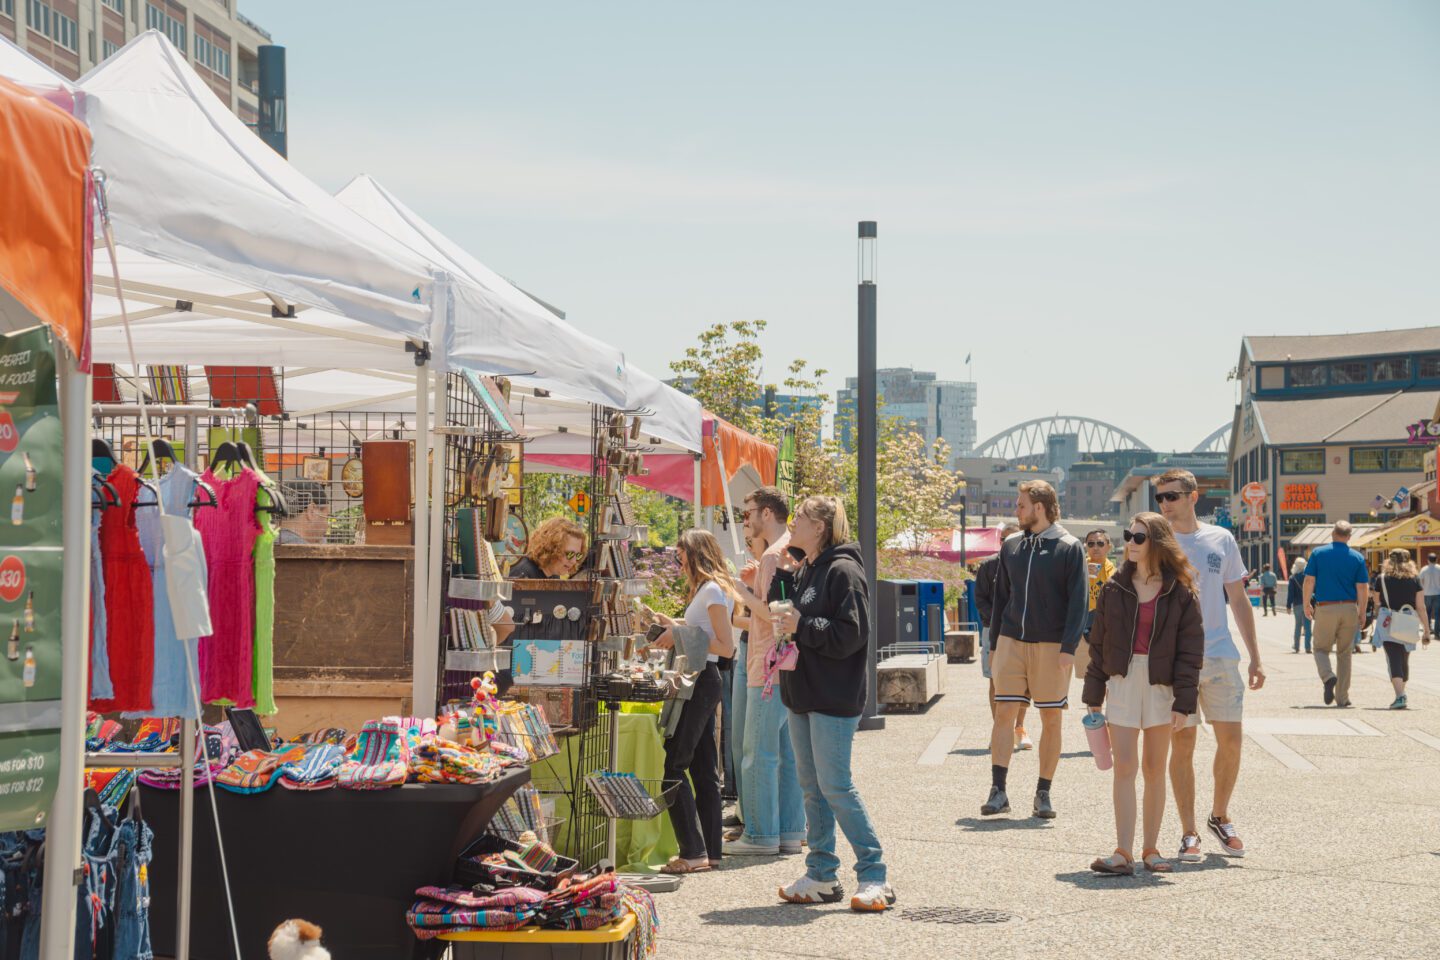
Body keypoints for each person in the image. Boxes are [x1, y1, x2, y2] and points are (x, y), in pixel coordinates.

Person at [772, 495, 894, 912]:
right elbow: (790, 617)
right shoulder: (807, 568)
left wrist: (802, 625)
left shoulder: (843, 570)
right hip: (803, 692)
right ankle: (821, 873)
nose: (791, 524)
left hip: (831, 695)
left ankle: (875, 875)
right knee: (813, 790)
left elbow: (852, 633)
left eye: (799, 519)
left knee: (836, 787)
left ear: (820, 527)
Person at [1084, 512, 1204, 875]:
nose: (1130, 543)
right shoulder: (1114, 587)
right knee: (1124, 767)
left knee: (1154, 768)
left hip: (1161, 684)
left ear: (1157, 542)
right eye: (1128, 536)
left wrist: (1184, 702)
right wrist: (1094, 692)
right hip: (1122, 681)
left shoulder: (1180, 591)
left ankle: (1151, 849)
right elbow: (1099, 646)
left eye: (1139, 537)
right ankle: (1123, 852)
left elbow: (1190, 651)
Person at [1154, 469, 1263, 861]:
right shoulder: (1154, 540)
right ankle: (1188, 832)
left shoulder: (1221, 538)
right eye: (1160, 497)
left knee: (1231, 742)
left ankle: (1219, 815)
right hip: (1174, 660)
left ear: (1192, 496)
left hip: (1220, 653)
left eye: (1172, 496)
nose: (1165, 503)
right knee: (1182, 745)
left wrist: (1255, 656)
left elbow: (1238, 597)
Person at [982, 479, 1087, 821]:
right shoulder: (1011, 545)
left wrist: (1069, 647)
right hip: (1012, 640)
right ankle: (998, 791)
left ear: (1039, 508)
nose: (1017, 509)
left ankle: (1043, 792)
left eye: (1021, 504)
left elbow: (1078, 603)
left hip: (1051, 644)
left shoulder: (1069, 546)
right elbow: (1001, 599)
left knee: (1051, 718)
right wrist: (995, 644)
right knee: (1004, 715)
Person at [651, 529, 738, 875]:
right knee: (702, 770)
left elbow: (725, 646)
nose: (678, 561)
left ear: (696, 553)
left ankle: (692, 850)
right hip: (699, 679)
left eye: (681, 554)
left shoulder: (713, 589)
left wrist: (678, 634)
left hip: (700, 680)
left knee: (674, 766)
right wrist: (669, 625)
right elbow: (702, 635)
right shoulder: (709, 590)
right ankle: (709, 851)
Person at [726, 486, 806, 857]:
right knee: (786, 754)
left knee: (757, 752)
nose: (747, 519)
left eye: (750, 512)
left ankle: (759, 835)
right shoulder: (791, 550)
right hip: (786, 665)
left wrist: (741, 590)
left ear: (767, 514)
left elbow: (774, 614)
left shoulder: (776, 554)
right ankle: (790, 831)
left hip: (767, 664)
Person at [974, 522, 1031, 750]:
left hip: (1025, 630)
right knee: (995, 681)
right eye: (1005, 539)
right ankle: (1000, 729)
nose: (1010, 544)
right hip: (994, 630)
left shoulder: (1030, 566)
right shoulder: (989, 567)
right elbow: (980, 599)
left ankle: (1019, 727)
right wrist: (1001, 619)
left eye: (1014, 539)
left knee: (1025, 682)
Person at [1302, 520, 1369, 710]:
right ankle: (1342, 697)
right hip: (1349, 608)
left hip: (1325, 608)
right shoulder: (1357, 558)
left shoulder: (1318, 553)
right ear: (1349, 537)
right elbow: (1362, 587)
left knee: (1321, 649)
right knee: (1345, 653)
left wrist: (1307, 603)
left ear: (1332, 534)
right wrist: (1362, 612)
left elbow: (1309, 581)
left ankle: (1328, 677)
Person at [1370, 548, 1432, 710]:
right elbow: (1421, 606)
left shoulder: (1381, 579)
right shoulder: (1414, 579)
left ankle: (1400, 695)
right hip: (1408, 621)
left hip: (1389, 621)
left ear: (1389, 561)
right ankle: (1401, 693)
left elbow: (1376, 601)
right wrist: (1426, 629)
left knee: (1393, 657)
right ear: (1408, 561)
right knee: (1404, 658)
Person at [1078, 529, 1117, 680]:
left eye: (1100, 543)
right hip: (1081, 626)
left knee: (1107, 674)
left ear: (1108, 546)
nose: (1095, 547)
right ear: (1086, 546)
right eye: (1091, 543)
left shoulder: (1114, 571)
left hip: (1104, 627)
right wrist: (1080, 573)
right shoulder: (1077, 566)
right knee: (1084, 673)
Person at [507, 517, 586, 579]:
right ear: (551, 548)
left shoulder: (554, 574)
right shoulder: (522, 574)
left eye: (578, 555)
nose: (574, 561)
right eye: (569, 554)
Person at [277, 480, 330, 545]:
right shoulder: (303, 550)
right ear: (311, 512)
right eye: (326, 517)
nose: (327, 525)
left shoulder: (267, 541)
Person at [1286, 558, 1312, 653]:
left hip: (1297, 604)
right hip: (1308, 603)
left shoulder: (1293, 578)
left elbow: (1290, 594)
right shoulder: (1308, 577)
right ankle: (1308, 647)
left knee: (1298, 626)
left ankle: (1296, 647)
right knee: (1308, 626)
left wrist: (1288, 605)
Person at [1420, 554, 1440, 638]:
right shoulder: (1439, 568)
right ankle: (1436, 633)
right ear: (1436, 560)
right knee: (1437, 614)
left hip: (1427, 594)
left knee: (1426, 613)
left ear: (1428, 560)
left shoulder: (1424, 569)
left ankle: (1427, 631)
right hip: (1438, 593)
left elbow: (1420, 581)